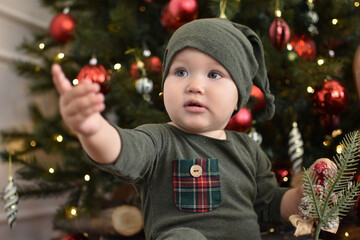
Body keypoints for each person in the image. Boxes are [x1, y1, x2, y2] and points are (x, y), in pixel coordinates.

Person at [52, 18, 334, 240]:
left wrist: (301, 196)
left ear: (239, 95)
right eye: (181, 71)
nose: (194, 85)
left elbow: (270, 205)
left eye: (214, 74)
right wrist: (91, 129)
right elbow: (119, 149)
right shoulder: (158, 140)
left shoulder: (248, 150)